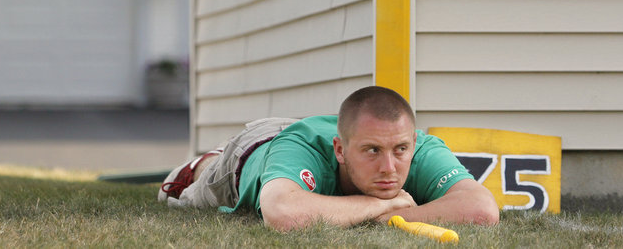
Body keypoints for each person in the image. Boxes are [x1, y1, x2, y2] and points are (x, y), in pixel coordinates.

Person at [158, 86, 499, 231]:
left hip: (326, 131)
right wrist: (379, 206)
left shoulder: (418, 146)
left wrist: (395, 218)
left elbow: (481, 211)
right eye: (372, 151)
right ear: (340, 151)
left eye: (400, 150)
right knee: (179, 191)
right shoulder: (297, 150)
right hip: (252, 152)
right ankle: (201, 162)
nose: (389, 168)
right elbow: (284, 215)